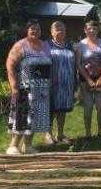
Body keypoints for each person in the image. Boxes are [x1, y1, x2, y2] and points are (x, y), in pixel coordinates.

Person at [6, 19, 52, 154]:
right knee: (23, 115)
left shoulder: (45, 45)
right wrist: (13, 84)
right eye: (32, 29)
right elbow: (10, 64)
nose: (35, 31)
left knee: (35, 117)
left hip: (42, 89)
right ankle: (13, 146)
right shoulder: (21, 45)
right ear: (27, 30)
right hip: (25, 88)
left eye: (38, 29)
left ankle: (28, 145)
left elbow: (49, 64)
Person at [46, 21, 76, 145]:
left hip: (67, 83)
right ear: (52, 32)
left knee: (62, 109)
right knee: (51, 109)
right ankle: (48, 134)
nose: (60, 32)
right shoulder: (47, 45)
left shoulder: (69, 45)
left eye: (62, 30)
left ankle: (60, 133)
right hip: (52, 84)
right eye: (57, 30)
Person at [76, 20, 101, 139]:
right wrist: (88, 80)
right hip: (85, 80)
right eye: (89, 28)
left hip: (100, 79)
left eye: (94, 28)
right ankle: (88, 133)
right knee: (88, 107)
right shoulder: (81, 45)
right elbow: (78, 64)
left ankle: (100, 131)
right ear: (85, 30)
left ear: (97, 30)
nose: (92, 30)